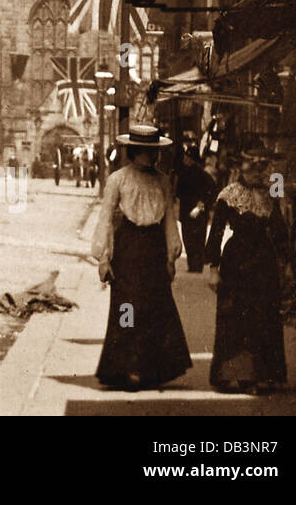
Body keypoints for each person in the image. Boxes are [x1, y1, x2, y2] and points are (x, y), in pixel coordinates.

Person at [91, 124, 191, 391]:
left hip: (154, 249)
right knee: (128, 308)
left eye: (154, 151)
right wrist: (104, 257)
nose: (152, 157)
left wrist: (172, 252)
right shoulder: (118, 180)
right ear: (134, 151)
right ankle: (125, 365)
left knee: (154, 308)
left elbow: (170, 216)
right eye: (147, 151)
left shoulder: (162, 180)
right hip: (128, 250)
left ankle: (150, 368)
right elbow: (106, 219)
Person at [204, 150, 288, 394]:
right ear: (239, 166)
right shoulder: (229, 195)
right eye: (251, 165)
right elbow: (216, 233)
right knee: (235, 318)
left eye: (260, 165)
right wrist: (213, 269)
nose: (256, 171)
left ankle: (263, 374)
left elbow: (280, 230)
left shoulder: (270, 193)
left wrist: (285, 262)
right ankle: (237, 374)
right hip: (236, 263)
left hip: (264, 263)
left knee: (263, 317)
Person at [176, 145, 217, 273]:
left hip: (187, 212)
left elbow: (178, 193)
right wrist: (201, 206)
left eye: (187, 157)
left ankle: (192, 264)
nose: (184, 159)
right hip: (200, 212)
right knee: (199, 238)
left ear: (190, 159)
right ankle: (197, 265)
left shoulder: (183, 175)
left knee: (189, 238)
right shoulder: (204, 175)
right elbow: (212, 190)